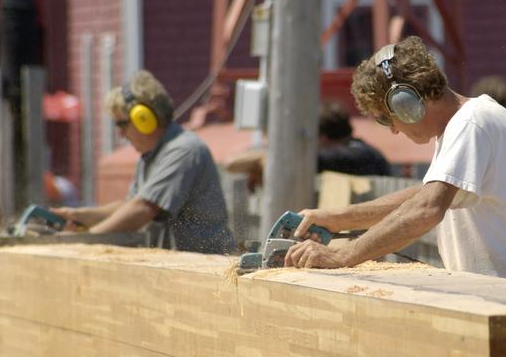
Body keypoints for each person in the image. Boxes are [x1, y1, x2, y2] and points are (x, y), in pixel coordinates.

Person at [284, 36, 506, 286]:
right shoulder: (460, 126)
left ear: (407, 104)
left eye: (388, 118)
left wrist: (342, 255)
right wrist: (339, 219)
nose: (394, 129)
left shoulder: (472, 123)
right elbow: (424, 196)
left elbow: (426, 209)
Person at [52, 70, 236, 254]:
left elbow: (143, 209)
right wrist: (77, 215)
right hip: (180, 264)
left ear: (144, 119)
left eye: (122, 125)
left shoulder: (184, 150)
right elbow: (129, 206)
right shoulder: (152, 155)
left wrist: (85, 239)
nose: (121, 134)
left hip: (206, 267)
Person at [224, 101, 390, 192]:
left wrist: (263, 162)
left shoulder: (354, 156)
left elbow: (231, 163)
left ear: (322, 137)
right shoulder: (359, 151)